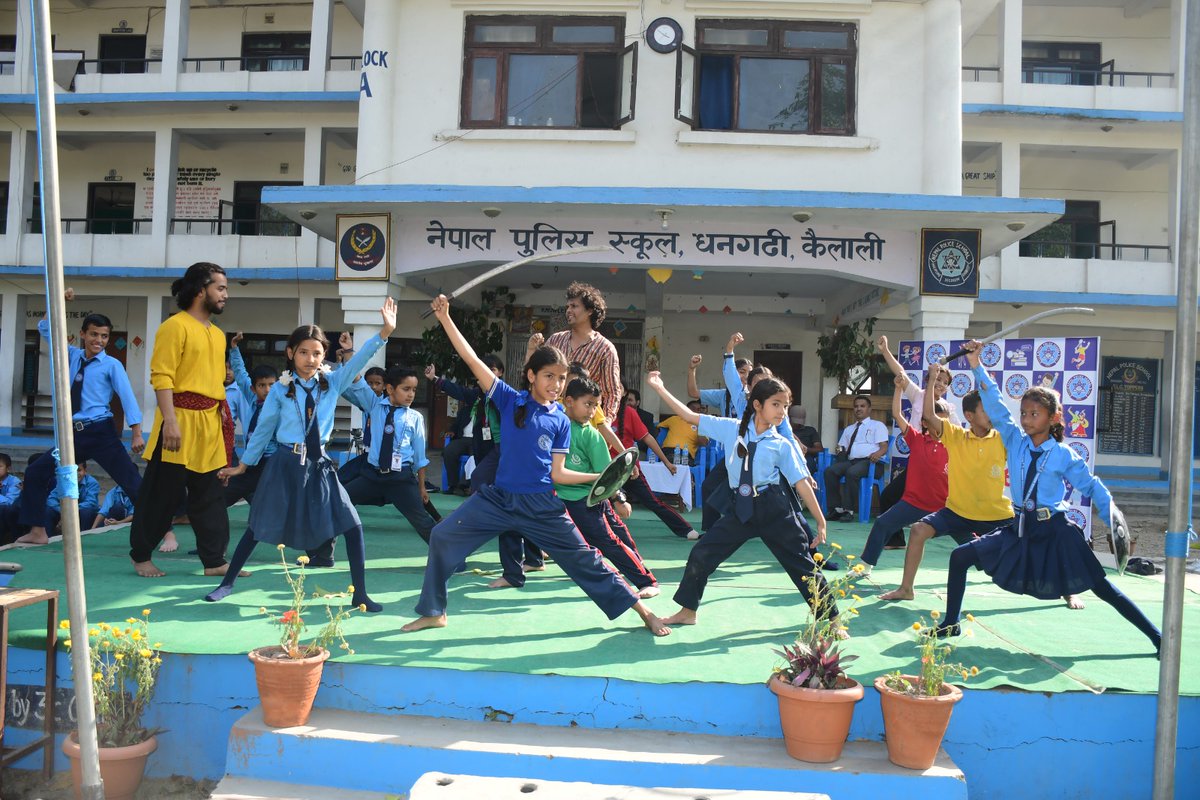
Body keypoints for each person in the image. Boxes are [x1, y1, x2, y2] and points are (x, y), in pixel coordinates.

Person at [400, 294, 671, 636]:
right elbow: (470, 360)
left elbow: (559, 473)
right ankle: (434, 610)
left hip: (542, 505)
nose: (556, 385)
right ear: (531, 376)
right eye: (549, 376)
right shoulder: (508, 399)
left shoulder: (560, 419)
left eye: (561, 379)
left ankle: (643, 611)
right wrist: (445, 319)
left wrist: (599, 476)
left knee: (587, 560)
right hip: (499, 499)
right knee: (441, 535)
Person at [935, 341, 1161, 656]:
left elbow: (1092, 486)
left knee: (1102, 587)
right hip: (1020, 529)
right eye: (1025, 412)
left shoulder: (1063, 454)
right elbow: (995, 401)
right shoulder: (1013, 439)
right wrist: (975, 363)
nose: (1026, 419)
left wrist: (1112, 516)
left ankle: (1158, 638)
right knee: (959, 557)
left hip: (1056, 531)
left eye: (1035, 414)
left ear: (1053, 418)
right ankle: (950, 622)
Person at [205, 299, 397, 610]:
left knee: (353, 525)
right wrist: (243, 465)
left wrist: (384, 332)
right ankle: (226, 584)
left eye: (317, 353)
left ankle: (360, 593)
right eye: (304, 352)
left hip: (319, 465)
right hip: (284, 463)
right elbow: (264, 429)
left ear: (324, 356)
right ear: (291, 353)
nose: (310, 359)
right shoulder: (280, 389)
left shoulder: (333, 383)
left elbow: (358, 360)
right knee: (258, 526)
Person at [645, 372, 837, 629]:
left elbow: (800, 482)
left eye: (786, 406)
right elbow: (690, 416)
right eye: (776, 404)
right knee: (702, 553)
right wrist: (659, 388)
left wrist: (821, 521)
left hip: (774, 509)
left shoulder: (781, 444)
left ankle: (832, 619)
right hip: (741, 509)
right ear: (758, 405)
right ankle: (688, 611)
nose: (782, 411)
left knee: (801, 564)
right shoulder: (730, 429)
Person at [129, 262, 239, 578]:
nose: (225, 295)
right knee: (162, 493)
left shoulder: (218, 335)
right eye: (220, 288)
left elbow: (210, 379)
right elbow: (162, 377)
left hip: (209, 424)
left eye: (226, 289)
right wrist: (171, 422)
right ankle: (141, 556)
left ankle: (214, 561)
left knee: (210, 495)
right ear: (201, 289)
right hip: (179, 422)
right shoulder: (174, 327)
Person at [878, 365, 1014, 601]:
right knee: (919, 530)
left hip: (995, 513)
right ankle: (906, 589)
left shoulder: (1003, 439)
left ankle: (1067, 590)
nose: (991, 414)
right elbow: (929, 416)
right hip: (958, 511)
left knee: (1030, 544)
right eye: (985, 410)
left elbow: (1001, 409)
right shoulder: (956, 435)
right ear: (969, 417)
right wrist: (931, 380)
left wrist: (977, 366)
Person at [18, 295, 146, 545]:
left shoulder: (112, 365)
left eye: (104, 336)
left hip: (100, 431)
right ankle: (38, 531)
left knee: (131, 481)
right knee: (35, 471)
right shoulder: (71, 355)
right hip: (72, 435)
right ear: (83, 334)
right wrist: (58, 301)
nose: (99, 340)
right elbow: (45, 328)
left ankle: (164, 529)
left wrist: (137, 432)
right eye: (94, 334)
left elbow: (127, 397)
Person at [551, 377, 660, 598]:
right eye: (588, 404)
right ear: (568, 401)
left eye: (595, 405)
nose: (592, 411)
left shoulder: (592, 436)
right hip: (557, 500)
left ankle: (647, 581)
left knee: (609, 541)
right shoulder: (555, 424)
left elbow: (607, 476)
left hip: (586, 502)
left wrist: (619, 498)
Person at [874, 335, 961, 547]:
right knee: (889, 496)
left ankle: (973, 544)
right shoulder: (918, 395)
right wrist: (886, 351)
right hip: (917, 459)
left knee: (952, 509)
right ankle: (896, 540)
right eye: (937, 379)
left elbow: (958, 436)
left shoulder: (950, 410)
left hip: (938, 465)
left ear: (948, 388)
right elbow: (900, 374)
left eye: (944, 382)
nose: (940, 384)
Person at [858, 378, 950, 574]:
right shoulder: (916, 439)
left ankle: (994, 567)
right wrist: (898, 389)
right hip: (913, 503)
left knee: (973, 541)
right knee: (882, 523)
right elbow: (897, 414)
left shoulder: (955, 443)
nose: (941, 424)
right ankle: (865, 566)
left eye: (944, 421)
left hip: (946, 507)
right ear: (925, 422)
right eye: (936, 419)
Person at [340, 365, 438, 544]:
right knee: (338, 503)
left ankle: (451, 558)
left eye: (414, 390)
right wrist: (348, 353)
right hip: (371, 476)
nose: (411, 394)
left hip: (401, 478)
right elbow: (357, 380)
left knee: (422, 521)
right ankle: (322, 553)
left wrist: (422, 487)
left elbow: (419, 457)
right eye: (406, 389)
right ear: (390, 388)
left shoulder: (415, 417)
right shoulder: (374, 405)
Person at [614, 390, 701, 540]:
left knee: (652, 501)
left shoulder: (629, 413)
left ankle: (685, 530)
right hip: (604, 469)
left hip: (629, 469)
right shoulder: (597, 411)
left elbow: (648, 438)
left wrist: (666, 462)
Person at [540, 282, 623, 424]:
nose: (568, 310)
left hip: (584, 426)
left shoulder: (605, 349)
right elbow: (540, 374)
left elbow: (612, 393)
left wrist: (604, 425)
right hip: (552, 419)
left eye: (574, 306)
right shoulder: (556, 340)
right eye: (567, 307)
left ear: (590, 310)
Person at [427, 356, 504, 495]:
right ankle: (455, 486)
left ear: (500, 372)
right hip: (477, 440)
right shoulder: (477, 393)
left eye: (492, 370)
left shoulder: (505, 393)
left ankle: (469, 487)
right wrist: (434, 378)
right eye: (484, 370)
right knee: (453, 453)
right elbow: (458, 390)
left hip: (498, 444)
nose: (487, 373)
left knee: (484, 476)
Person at [223, 334, 279, 507]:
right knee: (227, 494)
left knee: (266, 500)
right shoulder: (253, 399)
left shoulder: (280, 407)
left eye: (271, 384)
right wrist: (234, 349)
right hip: (252, 460)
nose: (267, 390)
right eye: (262, 385)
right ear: (253, 389)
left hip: (271, 461)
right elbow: (240, 375)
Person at [823, 396, 889, 522]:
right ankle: (836, 509)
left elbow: (884, 446)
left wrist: (878, 453)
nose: (858, 409)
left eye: (862, 406)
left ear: (869, 409)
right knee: (830, 471)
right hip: (852, 462)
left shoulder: (877, 425)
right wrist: (839, 451)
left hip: (871, 463)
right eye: (856, 406)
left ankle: (849, 510)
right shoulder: (849, 429)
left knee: (851, 472)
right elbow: (841, 447)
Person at [688, 352, 751, 418]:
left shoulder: (755, 395)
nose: (747, 376)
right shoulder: (722, 395)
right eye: (742, 372)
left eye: (750, 373)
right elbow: (693, 393)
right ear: (731, 374)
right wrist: (692, 369)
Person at [45, 462, 100, 536]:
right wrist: (62, 510)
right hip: (64, 510)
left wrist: (70, 510)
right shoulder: (64, 481)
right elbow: (51, 499)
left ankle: (84, 537)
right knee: (48, 510)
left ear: (85, 471)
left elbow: (91, 502)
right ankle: (49, 538)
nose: (76, 474)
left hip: (83, 511)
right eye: (72, 471)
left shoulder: (92, 483)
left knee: (86, 512)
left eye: (79, 470)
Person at [657, 400, 708, 465]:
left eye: (698, 409)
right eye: (693, 409)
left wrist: (699, 425)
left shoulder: (702, 426)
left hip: (685, 455)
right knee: (669, 459)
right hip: (667, 451)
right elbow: (658, 427)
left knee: (677, 462)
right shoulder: (674, 419)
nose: (696, 411)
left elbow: (703, 443)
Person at [788, 405, 823, 474]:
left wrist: (805, 449)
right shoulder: (785, 431)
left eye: (799, 422)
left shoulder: (810, 430)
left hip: (806, 457)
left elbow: (819, 449)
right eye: (795, 422)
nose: (798, 424)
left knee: (809, 464)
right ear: (789, 418)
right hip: (788, 457)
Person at [0, 453, 23, 543]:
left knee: (3, 509)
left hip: (10, 515)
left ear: (8, 469)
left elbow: (10, 502)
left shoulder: (14, 481)